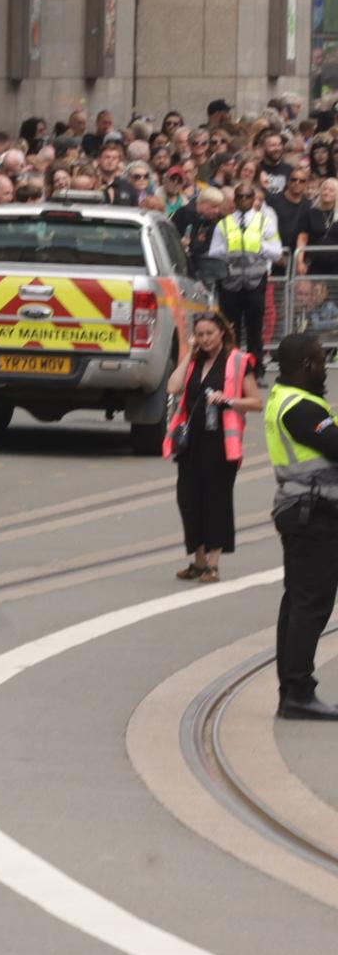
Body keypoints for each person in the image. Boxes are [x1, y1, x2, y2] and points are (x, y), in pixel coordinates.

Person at [263, 332, 338, 720]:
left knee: (298, 602)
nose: (326, 366)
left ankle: (294, 689)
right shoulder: (301, 408)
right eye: (322, 360)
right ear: (306, 365)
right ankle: (297, 692)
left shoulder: (287, 398)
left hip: (304, 511)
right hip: (312, 514)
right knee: (310, 603)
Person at [166, 311, 260, 583]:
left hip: (221, 443)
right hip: (191, 443)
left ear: (222, 331)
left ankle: (213, 564)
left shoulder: (239, 361)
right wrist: (189, 353)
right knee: (189, 500)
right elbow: (173, 387)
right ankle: (198, 560)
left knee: (216, 501)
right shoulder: (194, 362)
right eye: (200, 335)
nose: (205, 339)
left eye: (210, 333)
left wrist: (228, 400)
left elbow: (256, 402)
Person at [209, 181, 280, 375]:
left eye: (248, 196)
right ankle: (230, 369)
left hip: (255, 281)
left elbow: (277, 252)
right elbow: (213, 253)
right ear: (234, 200)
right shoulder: (224, 224)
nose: (244, 200)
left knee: (254, 329)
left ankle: (255, 370)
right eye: (240, 196)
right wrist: (229, 249)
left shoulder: (264, 222)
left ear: (254, 199)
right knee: (231, 329)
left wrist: (259, 246)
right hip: (230, 283)